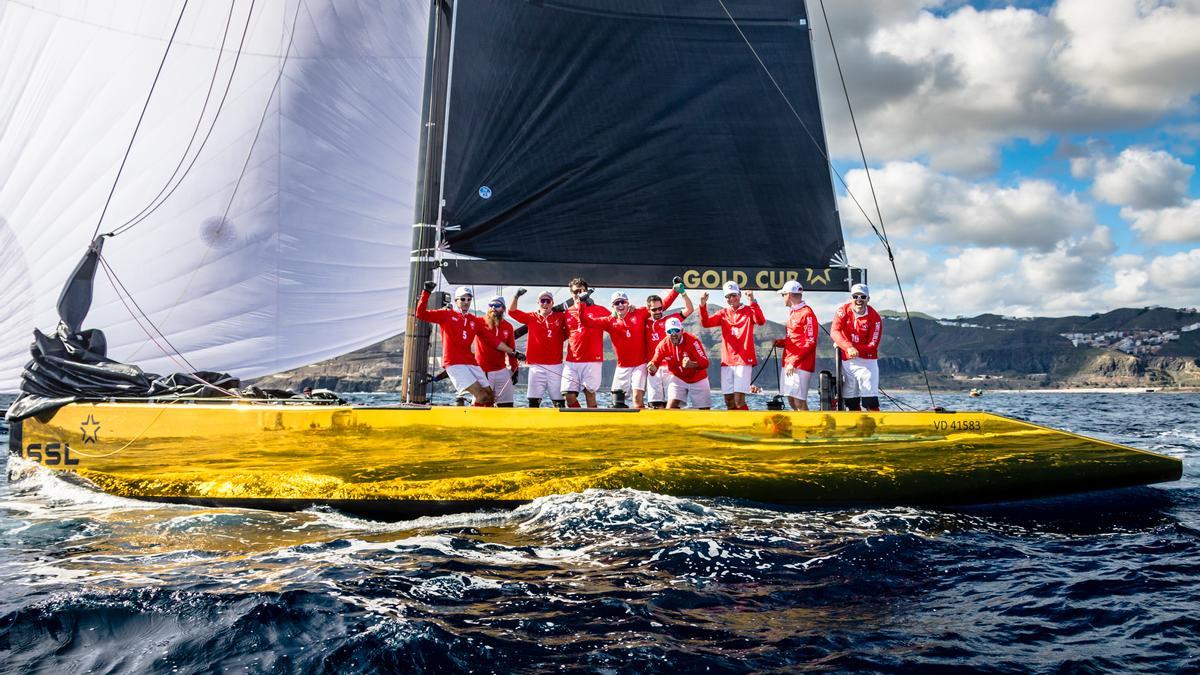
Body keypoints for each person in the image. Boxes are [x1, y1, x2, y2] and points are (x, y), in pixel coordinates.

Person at [581, 278, 685, 408]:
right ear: (612, 306)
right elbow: (586, 322)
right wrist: (582, 303)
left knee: (637, 398)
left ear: (627, 303)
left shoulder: (639, 313)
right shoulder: (609, 321)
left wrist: (675, 291)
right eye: (616, 303)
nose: (620, 305)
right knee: (617, 403)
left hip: (640, 365)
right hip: (622, 366)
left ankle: (641, 426)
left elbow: (661, 306)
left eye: (623, 302)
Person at [415, 282, 523, 406]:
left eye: (469, 299)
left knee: (490, 396)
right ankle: (472, 422)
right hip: (454, 363)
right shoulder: (446, 315)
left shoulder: (474, 320)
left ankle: (484, 422)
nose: (466, 302)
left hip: (471, 362)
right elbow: (420, 314)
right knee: (481, 396)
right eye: (462, 299)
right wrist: (426, 292)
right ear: (456, 301)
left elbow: (493, 341)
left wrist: (514, 353)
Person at [699, 281, 765, 410]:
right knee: (729, 400)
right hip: (727, 361)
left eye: (733, 295)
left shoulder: (749, 310)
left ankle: (744, 427)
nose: (731, 299)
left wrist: (752, 301)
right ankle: (734, 428)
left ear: (739, 295)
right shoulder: (723, 313)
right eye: (728, 296)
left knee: (739, 399)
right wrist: (702, 304)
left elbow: (761, 321)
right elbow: (705, 323)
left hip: (744, 360)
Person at [509, 288, 569, 408]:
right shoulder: (531, 317)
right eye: (542, 301)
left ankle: (560, 425)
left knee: (559, 401)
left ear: (552, 303)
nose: (545, 303)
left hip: (556, 365)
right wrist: (516, 296)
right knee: (533, 401)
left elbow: (570, 329)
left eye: (548, 301)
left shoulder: (561, 317)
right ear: (538, 303)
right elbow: (512, 312)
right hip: (536, 366)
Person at [830, 283, 882, 411]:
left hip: (867, 361)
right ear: (851, 298)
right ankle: (857, 426)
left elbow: (873, 344)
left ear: (868, 299)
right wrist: (848, 347)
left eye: (863, 297)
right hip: (847, 360)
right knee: (851, 400)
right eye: (855, 296)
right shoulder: (842, 311)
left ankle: (875, 425)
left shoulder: (875, 318)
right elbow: (834, 331)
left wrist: (854, 349)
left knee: (870, 401)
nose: (859, 300)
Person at [561, 277, 610, 408]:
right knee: (568, 396)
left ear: (587, 292)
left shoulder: (600, 310)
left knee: (590, 395)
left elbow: (617, 322)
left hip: (592, 359)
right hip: (572, 360)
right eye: (575, 292)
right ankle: (578, 422)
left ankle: (593, 424)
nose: (578, 294)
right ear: (571, 294)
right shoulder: (567, 312)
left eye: (581, 291)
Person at [644, 284, 694, 408]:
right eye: (654, 310)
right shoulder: (644, 322)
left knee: (673, 404)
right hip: (653, 368)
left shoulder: (670, 320)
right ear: (648, 309)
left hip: (671, 368)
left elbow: (689, 309)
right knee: (655, 405)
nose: (658, 312)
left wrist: (683, 293)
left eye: (660, 308)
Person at [773, 280, 818, 410]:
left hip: (801, 364)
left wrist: (794, 361)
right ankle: (798, 428)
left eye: (783, 295)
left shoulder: (807, 313)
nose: (782, 298)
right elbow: (795, 338)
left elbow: (811, 342)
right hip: (789, 362)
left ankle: (809, 429)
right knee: (791, 400)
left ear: (789, 295)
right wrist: (780, 343)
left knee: (799, 401)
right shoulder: (792, 312)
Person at [647, 317, 711, 409]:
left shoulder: (693, 341)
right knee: (670, 407)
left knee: (704, 410)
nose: (673, 334)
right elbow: (655, 362)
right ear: (666, 333)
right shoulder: (663, 345)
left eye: (676, 330)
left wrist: (692, 364)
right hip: (678, 378)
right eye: (670, 331)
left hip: (698, 378)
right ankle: (674, 423)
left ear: (682, 330)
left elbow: (705, 363)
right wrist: (651, 368)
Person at [475, 295, 519, 407]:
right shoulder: (479, 322)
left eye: (497, 305)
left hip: (501, 370)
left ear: (503, 309)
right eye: (491, 305)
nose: (493, 308)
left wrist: (515, 369)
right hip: (483, 370)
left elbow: (511, 349)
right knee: (484, 401)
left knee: (507, 404)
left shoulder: (508, 326)